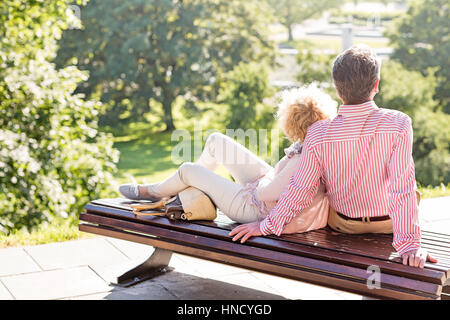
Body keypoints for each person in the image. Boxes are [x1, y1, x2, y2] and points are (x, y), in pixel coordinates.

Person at [229, 44, 438, 269]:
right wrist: (410, 246)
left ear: (338, 91)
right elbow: (402, 188)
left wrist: (265, 226)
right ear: (376, 85)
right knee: (410, 187)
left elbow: (301, 189)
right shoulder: (399, 123)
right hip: (387, 224)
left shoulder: (318, 133)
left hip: (343, 224)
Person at [119, 85, 337, 234]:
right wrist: (268, 176)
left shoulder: (303, 160)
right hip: (267, 196)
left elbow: (265, 192)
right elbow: (277, 186)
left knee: (187, 170)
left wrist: (265, 179)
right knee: (216, 141)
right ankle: (186, 190)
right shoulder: (311, 145)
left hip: (255, 210)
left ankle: (153, 192)